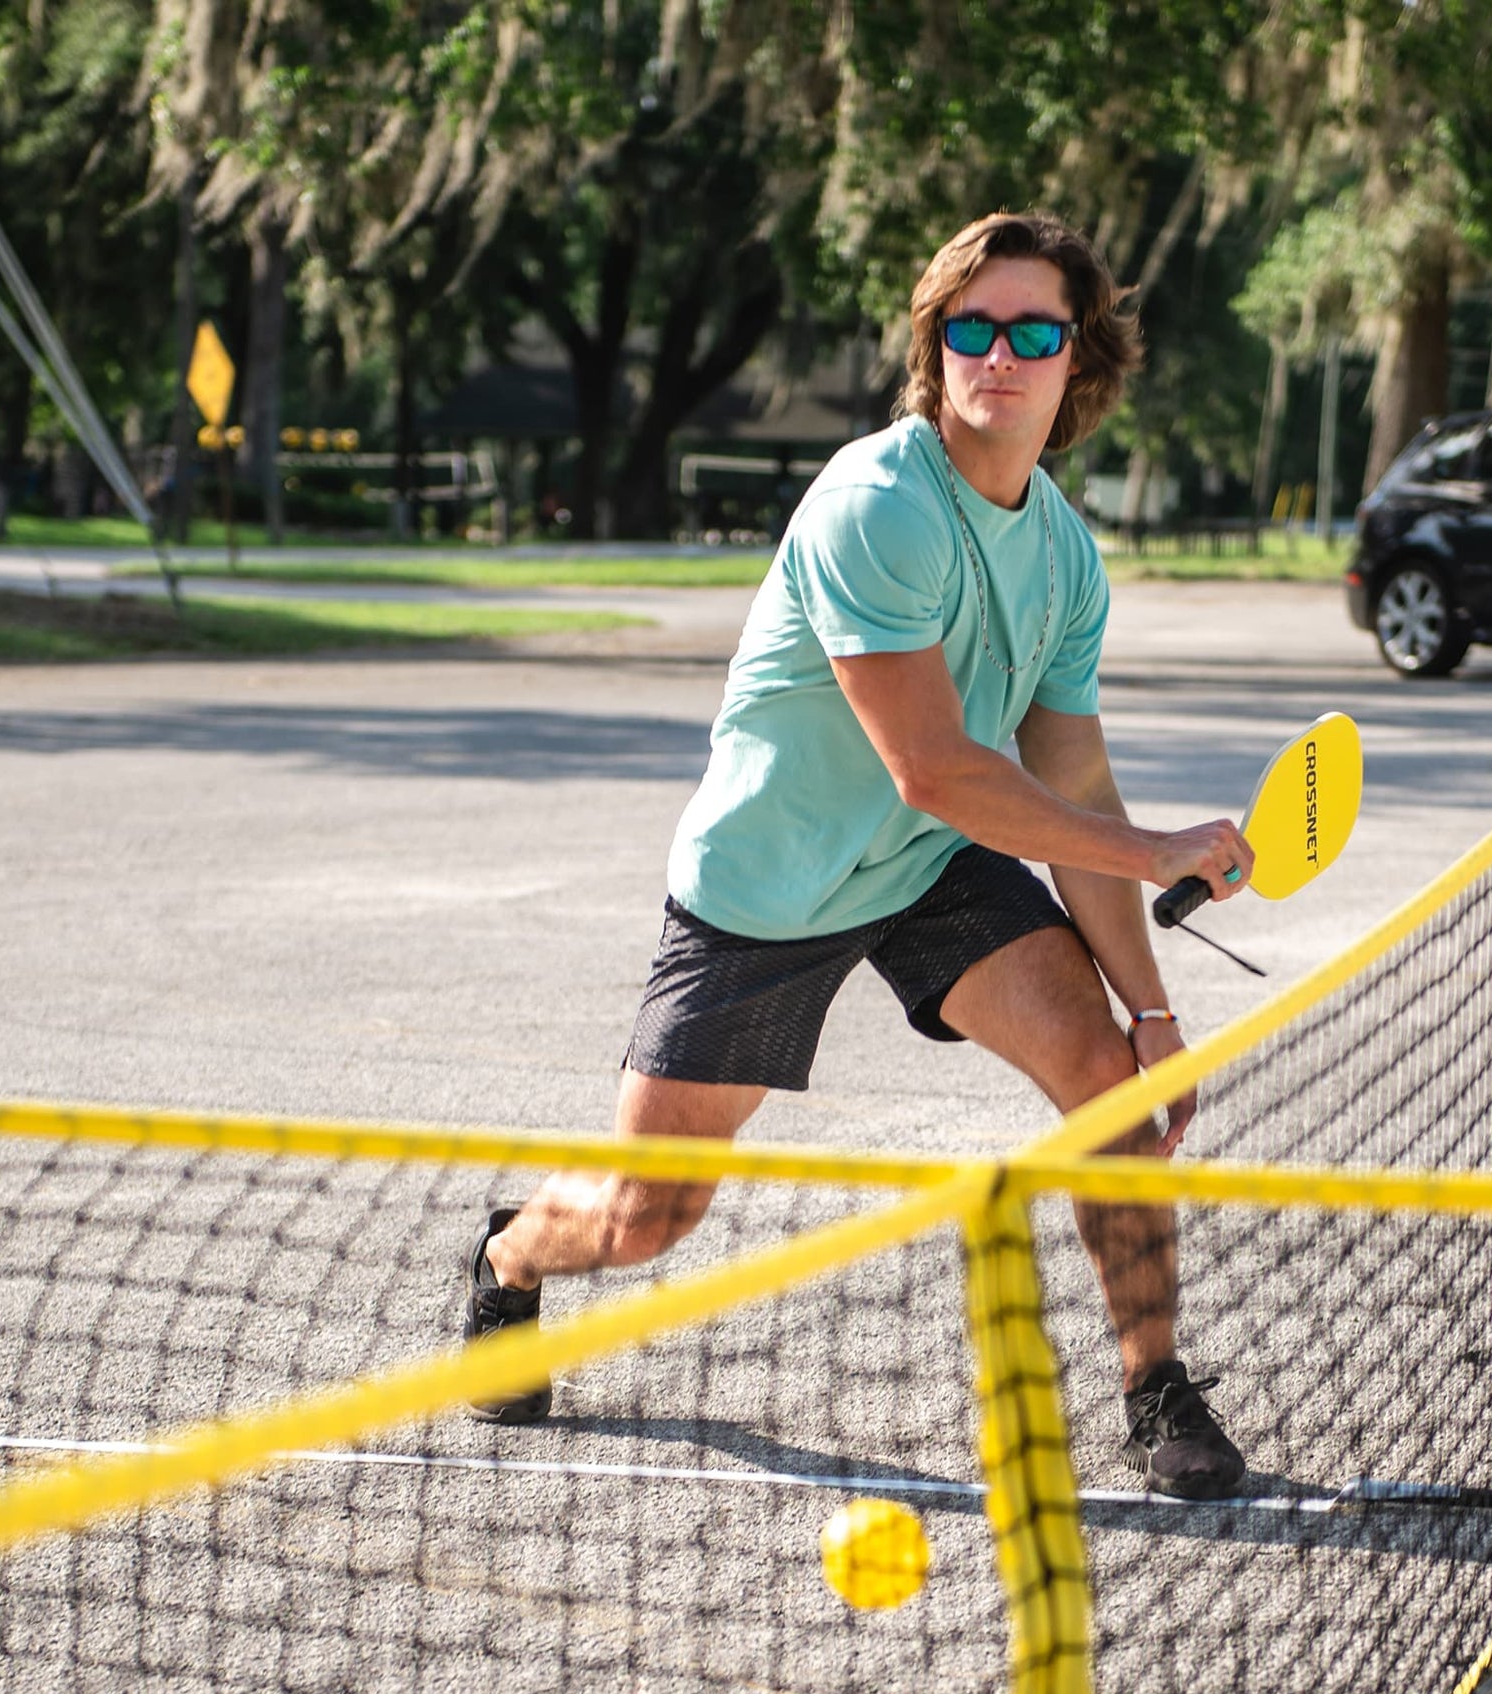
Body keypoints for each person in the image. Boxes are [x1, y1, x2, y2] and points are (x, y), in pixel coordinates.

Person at [464, 210, 1255, 1498]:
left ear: (1079, 360)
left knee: (1113, 1099)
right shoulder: (878, 504)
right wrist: (1159, 843)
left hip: (933, 867)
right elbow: (936, 768)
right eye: (971, 329)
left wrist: (1154, 1010)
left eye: (1033, 330)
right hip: (769, 887)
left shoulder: (1062, 551)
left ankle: (1154, 1386)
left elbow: (1070, 782)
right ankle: (507, 1255)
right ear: (937, 347)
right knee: (646, 1219)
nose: (998, 354)